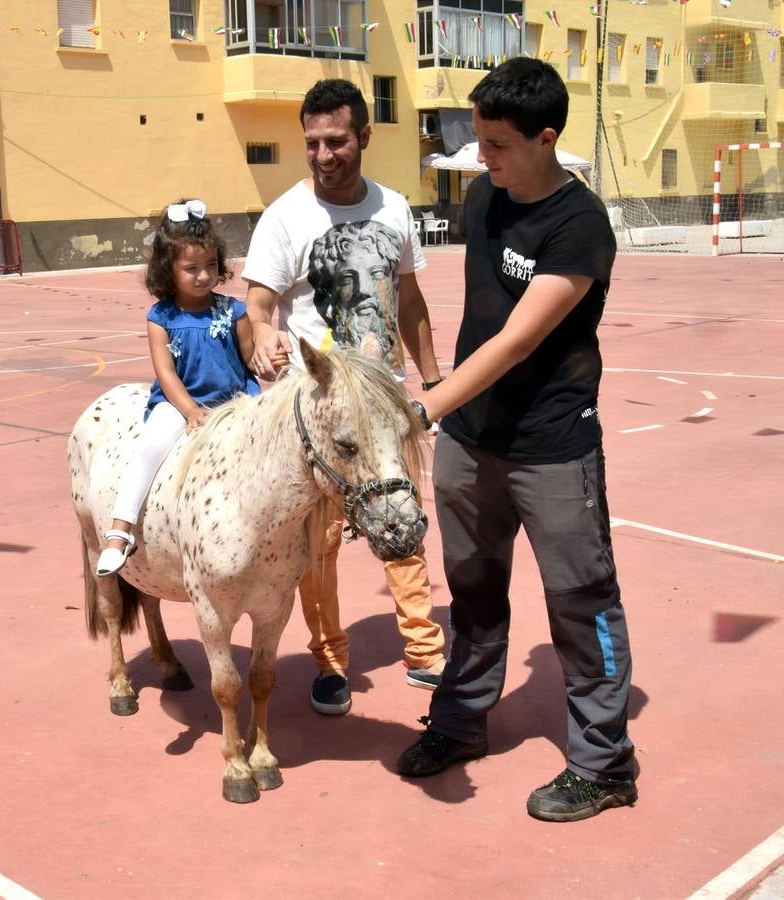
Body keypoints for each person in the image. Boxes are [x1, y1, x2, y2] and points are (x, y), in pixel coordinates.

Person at [397, 58, 637, 823]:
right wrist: (444, 398)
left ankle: (604, 764)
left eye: (497, 143)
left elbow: (514, 342)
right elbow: (475, 317)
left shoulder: (579, 224)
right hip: (472, 442)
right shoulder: (483, 196)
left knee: (581, 600)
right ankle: (462, 721)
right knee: (471, 595)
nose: (482, 156)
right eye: (478, 140)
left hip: (553, 446)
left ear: (546, 138)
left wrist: (422, 407)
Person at [242, 78, 446, 716]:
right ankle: (330, 661)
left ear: (364, 136)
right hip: (322, 419)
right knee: (318, 547)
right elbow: (258, 302)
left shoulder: (393, 208)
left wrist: (434, 383)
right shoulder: (284, 217)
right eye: (312, 143)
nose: (324, 154)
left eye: (337, 141)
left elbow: (409, 300)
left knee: (403, 527)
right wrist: (264, 337)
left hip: (386, 409)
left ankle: (424, 648)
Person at [96, 199, 258, 576]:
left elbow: (251, 361)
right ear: (168, 270)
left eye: (211, 266)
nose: (203, 276)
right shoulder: (161, 317)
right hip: (179, 402)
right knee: (151, 446)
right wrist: (189, 411)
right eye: (191, 269)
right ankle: (120, 530)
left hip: (235, 401)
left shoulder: (234, 312)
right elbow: (166, 374)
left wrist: (273, 361)